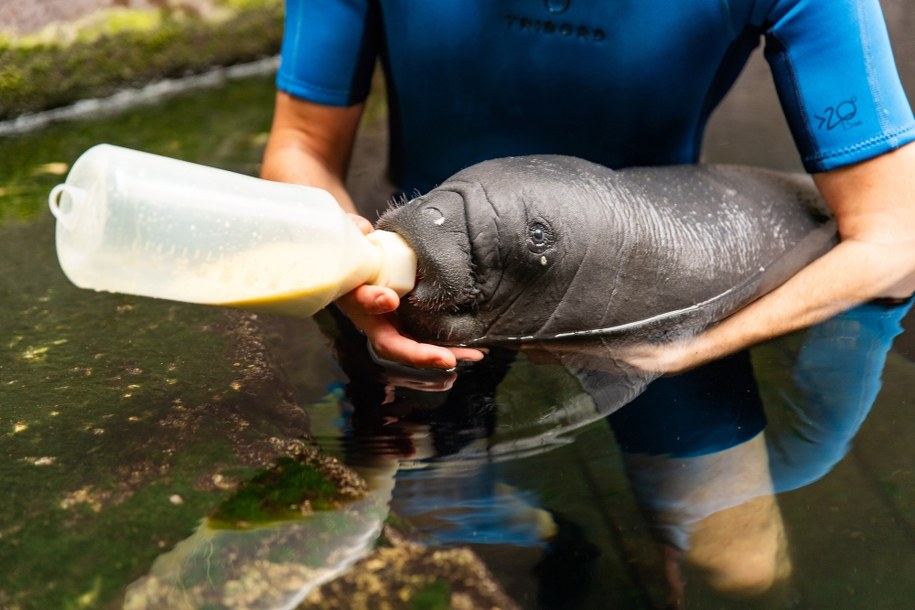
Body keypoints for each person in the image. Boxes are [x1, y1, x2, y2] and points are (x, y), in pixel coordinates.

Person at [260, 0, 915, 374]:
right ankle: (534, 535)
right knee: (414, 509)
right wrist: (353, 278)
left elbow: (894, 234)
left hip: (647, 288)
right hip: (424, 260)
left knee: (737, 569)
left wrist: (683, 350)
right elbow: (302, 146)